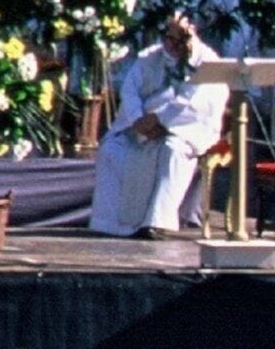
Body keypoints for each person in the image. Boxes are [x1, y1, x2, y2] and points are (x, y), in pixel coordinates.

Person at [86, 13, 228, 235]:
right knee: (112, 149)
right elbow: (130, 90)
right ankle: (110, 224)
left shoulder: (208, 62)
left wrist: (161, 120)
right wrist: (137, 119)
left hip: (183, 130)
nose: (172, 45)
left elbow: (196, 101)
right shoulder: (150, 57)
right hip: (143, 126)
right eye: (168, 38)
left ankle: (157, 222)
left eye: (179, 39)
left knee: (171, 152)